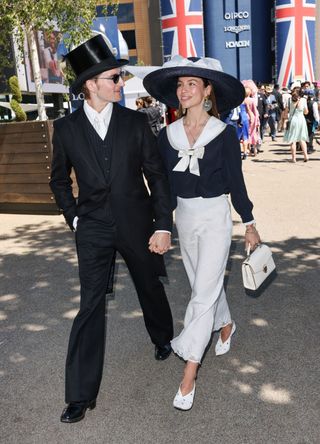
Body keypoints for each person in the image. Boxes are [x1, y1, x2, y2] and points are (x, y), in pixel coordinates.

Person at [50, 35, 174, 424]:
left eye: (119, 77)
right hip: (92, 229)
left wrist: (163, 226)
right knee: (90, 306)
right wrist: (74, 218)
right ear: (91, 84)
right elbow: (57, 180)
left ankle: (162, 336)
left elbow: (157, 177)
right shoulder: (66, 128)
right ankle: (80, 395)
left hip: (137, 223)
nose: (121, 83)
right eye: (114, 77)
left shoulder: (135, 122)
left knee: (149, 284)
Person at [143, 55, 261, 411]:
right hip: (186, 219)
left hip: (215, 218)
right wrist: (162, 224)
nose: (184, 90)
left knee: (202, 293)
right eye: (180, 85)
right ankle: (226, 325)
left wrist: (250, 222)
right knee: (203, 287)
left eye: (192, 83)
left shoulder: (224, 134)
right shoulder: (168, 136)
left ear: (208, 90)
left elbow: (236, 183)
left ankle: (189, 373)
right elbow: (161, 187)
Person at [283, 87, 309, 162]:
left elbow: (286, 111)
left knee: (292, 140)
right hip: (301, 120)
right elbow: (306, 112)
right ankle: (306, 156)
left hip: (292, 120)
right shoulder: (303, 100)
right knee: (302, 139)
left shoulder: (289, 100)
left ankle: (294, 158)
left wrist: (285, 120)